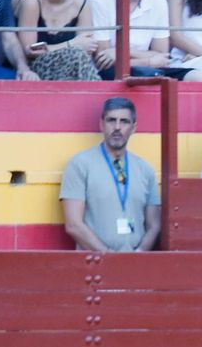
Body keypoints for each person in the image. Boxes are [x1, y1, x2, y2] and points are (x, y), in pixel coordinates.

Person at [61, 97, 161, 252]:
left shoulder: (145, 169)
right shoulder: (80, 164)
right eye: (111, 120)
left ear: (133, 128)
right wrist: (108, 257)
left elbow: (154, 225)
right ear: (101, 124)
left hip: (136, 264)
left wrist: (141, 252)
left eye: (124, 121)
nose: (117, 127)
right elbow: (73, 224)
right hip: (95, 265)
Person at [15, 0, 102, 78]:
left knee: (79, 57)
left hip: (74, 66)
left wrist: (51, 49)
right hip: (37, 68)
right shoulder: (32, 0)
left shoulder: (83, 2)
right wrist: (71, 44)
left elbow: (86, 48)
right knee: (77, 56)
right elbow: (30, 53)